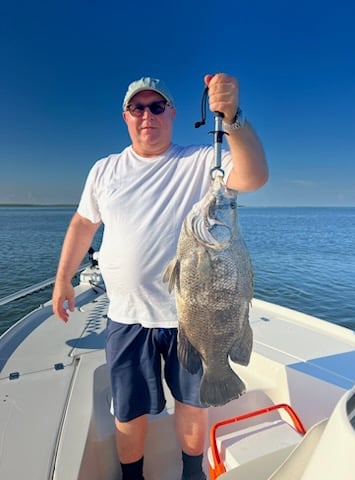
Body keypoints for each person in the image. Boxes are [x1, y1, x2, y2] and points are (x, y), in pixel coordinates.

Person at [52, 73, 268, 480]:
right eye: (138, 108)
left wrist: (233, 118)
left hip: (189, 317)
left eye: (156, 107)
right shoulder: (105, 170)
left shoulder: (202, 161)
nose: (147, 115)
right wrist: (63, 278)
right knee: (128, 409)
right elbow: (83, 223)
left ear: (172, 113)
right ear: (126, 117)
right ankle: (132, 476)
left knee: (192, 404)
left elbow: (254, 177)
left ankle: (192, 473)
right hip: (127, 315)